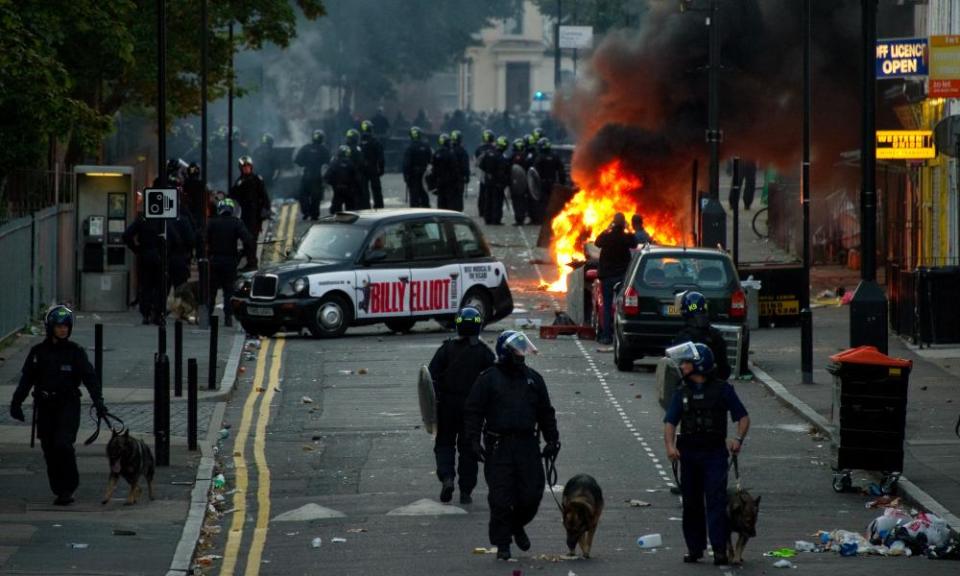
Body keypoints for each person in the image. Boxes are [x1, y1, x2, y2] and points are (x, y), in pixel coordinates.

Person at [464, 330, 560, 561]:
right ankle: (503, 544)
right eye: (517, 350)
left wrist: (552, 440)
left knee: (531, 494)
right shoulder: (488, 379)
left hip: (527, 444)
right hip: (499, 445)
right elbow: (473, 412)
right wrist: (473, 441)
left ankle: (516, 525)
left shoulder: (533, 379)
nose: (521, 355)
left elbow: (545, 412)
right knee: (500, 498)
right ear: (506, 353)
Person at [9, 305, 108, 505]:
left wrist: (98, 401)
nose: (63, 330)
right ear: (51, 327)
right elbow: (26, 379)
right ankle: (58, 487)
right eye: (59, 326)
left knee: (63, 444)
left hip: (68, 405)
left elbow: (90, 377)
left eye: (66, 326)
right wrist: (16, 403)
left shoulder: (75, 352)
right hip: (45, 406)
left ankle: (68, 487)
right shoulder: (38, 352)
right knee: (49, 449)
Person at [663, 342, 750, 566]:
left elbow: (743, 417)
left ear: (699, 366)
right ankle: (695, 548)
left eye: (686, 363)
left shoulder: (723, 390)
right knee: (691, 503)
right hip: (689, 454)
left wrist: (738, 439)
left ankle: (720, 549)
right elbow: (670, 422)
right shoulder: (681, 392)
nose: (682, 366)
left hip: (714, 454)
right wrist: (670, 447)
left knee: (716, 501)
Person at [428, 307, 496, 505]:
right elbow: (494, 380)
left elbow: (430, 377)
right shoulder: (484, 353)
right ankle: (466, 491)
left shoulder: (446, 349)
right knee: (469, 449)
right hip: (472, 411)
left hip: (447, 407)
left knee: (444, 444)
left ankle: (447, 478)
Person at [207, 199, 257, 327]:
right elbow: (248, 239)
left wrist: (203, 255)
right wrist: (243, 255)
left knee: (211, 290)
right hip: (230, 262)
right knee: (228, 291)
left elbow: (201, 238)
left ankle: (207, 317)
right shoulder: (236, 223)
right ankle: (228, 318)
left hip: (214, 261)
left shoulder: (212, 222)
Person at [594, 213, 639, 344]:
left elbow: (597, 242)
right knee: (621, 307)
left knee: (607, 306)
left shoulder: (607, 237)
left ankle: (607, 336)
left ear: (613, 223)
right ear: (624, 224)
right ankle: (620, 337)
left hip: (607, 276)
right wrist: (629, 229)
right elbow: (635, 244)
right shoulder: (625, 238)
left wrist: (607, 228)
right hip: (622, 277)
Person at [673, 291, 731, 380]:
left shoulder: (683, 337)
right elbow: (725, 369)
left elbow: (674, 368)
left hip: (690, 384)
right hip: (714, 383)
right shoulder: (716, 335)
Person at [123, 211, 165, 324]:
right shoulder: (162, 218)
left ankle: (146, 314)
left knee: (146, 286)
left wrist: (136, 249)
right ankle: (157, 313)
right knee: (159, 286)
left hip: (145, 254)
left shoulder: (142, 219)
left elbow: (126, 235)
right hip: (159, 255)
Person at [229, 156, 271, 241]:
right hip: (245, 213)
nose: (246, 168)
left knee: (254, 236)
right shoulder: (239, 182)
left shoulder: (257, 179)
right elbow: (232, 195)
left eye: (248, 166)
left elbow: (264, 196)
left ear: (251, 167)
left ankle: (252, 253)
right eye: (244, 167)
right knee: (246, 236)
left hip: (256, 213)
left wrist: (266, 209)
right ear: (241, 168)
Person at [295, 130, 331, 220]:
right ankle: (314, 214)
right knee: (316, 197)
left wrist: (304, 164)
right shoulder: (324, 149)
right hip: (317, 176)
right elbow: (329, 163)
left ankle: (306, 212)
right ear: (322, 139)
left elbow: (297, 161)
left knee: (303, 195)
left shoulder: (306, 148)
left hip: (307, 175)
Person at [531, 137, 567, 225]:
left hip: (542, 184)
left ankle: (543, 220)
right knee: (553, 202)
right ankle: (553, 219)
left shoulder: (539, 158)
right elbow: (561, 171)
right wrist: (562, 183)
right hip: (553, 184)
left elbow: (534, 174)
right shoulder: (555, 157)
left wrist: (535, 186)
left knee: (543, 203)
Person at [478, 136, 510, 225]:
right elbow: (503, 172)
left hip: (488, 182)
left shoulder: (488, 153)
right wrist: (504, 182)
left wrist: (488, 173)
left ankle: (487, 219)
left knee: (488, 200)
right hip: (498, 183)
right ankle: (496, 220)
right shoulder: (502, 157)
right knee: (497, 202)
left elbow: (481, 165)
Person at [325, 145, 362, 213]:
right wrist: (357, 188)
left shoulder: (335, 163)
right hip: (349, 190)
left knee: (335, 210)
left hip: (338, 189)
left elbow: (328, 175)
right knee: (351, 209)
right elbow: (357, 178)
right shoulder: (351, 163)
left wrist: (333, 184)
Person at [402, 126, 433, 208]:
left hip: (413, 174)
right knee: (424, 192)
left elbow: (406, 164)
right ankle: (426, 208)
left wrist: (406, 176)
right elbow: (430, 160)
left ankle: (414, 211)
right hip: (424, 173)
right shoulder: (426, 146)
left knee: (414, 194)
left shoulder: (409, 148)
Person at [359, 120, 386, 209]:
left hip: (362, 170)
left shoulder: (358, 142)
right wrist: (381, 169)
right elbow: (381, 157)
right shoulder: (375, 141)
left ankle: (365, 207)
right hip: (373, 168)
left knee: (364, 190)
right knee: (376, 189)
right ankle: (379, 207)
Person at [431, 133, 461, 210]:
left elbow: (433, 168)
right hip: (449, 181)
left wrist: (433, 182)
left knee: (441, 199)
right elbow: (454, 168)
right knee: (450, 200)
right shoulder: (450, 153)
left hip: (439, 180)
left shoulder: (436, 153)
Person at [474, 129, 496, 216]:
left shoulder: (479, 149)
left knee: (482, 192)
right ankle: (490, 211)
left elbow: (476, 160)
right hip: (492, 173)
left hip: (482, 172)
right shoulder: (494, 148)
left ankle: (482, 211)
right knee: (491, 193)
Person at [509, 138, 530, 225]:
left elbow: (508, 168)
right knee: (523, 201)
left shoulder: (512, 156)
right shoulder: (526, 156)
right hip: (525, 183)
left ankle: (519, 219)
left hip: (515, 183)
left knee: (516, 201)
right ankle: (522, 216)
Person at [449, 130, 470, 212]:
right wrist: (467, 176)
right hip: (459, 177)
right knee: (458, 195)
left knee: (450, 195)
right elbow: (465, 165)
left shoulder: (448, 150)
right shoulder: (462, 151)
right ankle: (458, 211)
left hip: (448, 177)